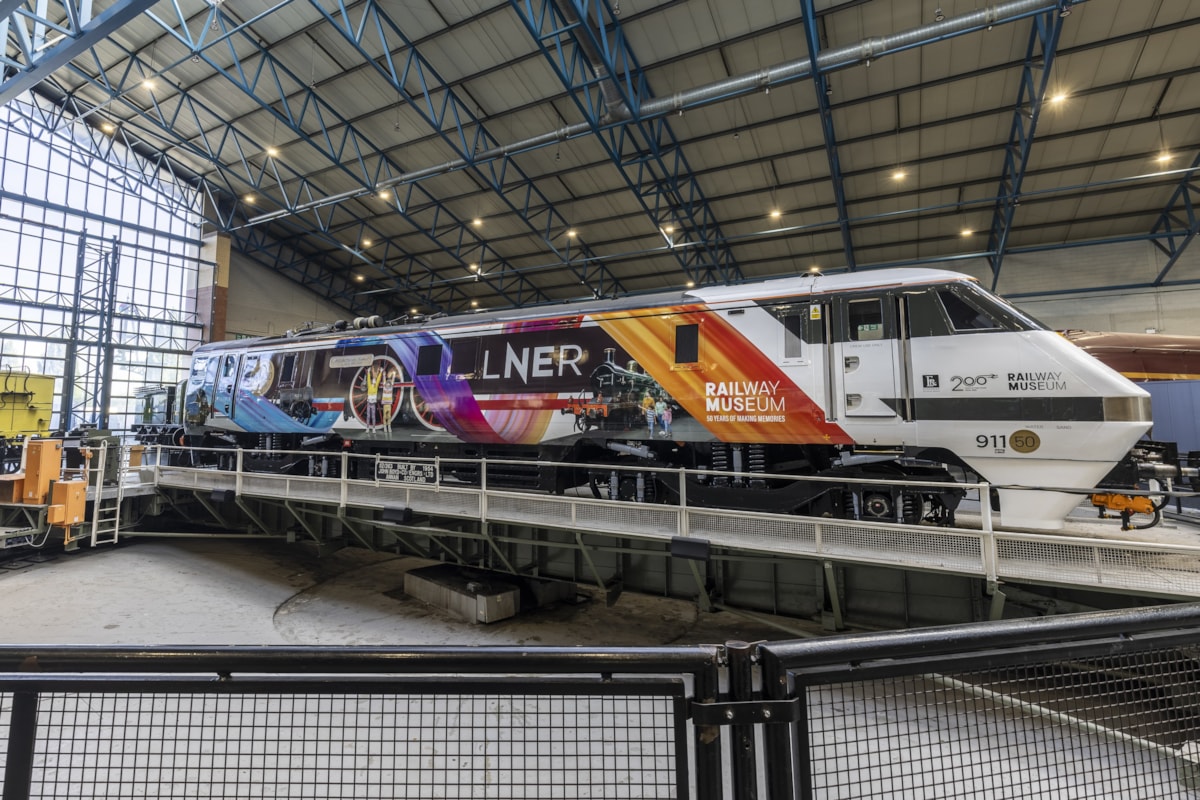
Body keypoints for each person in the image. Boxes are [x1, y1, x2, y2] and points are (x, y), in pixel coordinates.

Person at [364, 362, 384, 433]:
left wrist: (381, 372)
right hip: (369, 402)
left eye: (374, 380)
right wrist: (369, 372)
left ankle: (373, 428)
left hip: (373, 403)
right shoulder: (369, 385)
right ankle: (367, 428)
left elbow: (378, 379)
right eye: (373, 380)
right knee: (368, 416)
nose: (374, 380)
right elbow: (368, 379)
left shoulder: (376, 387)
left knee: (373, 416)